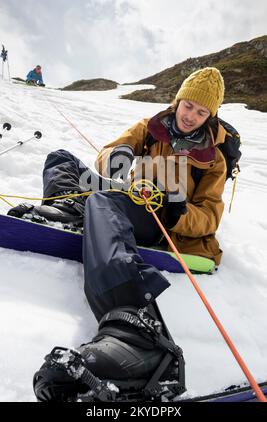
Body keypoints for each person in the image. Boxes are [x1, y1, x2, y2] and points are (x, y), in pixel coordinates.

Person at [8, 67, 226, 402]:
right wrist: (118, 162)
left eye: (202, 111)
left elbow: (209, 217)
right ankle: (76, 214)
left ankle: (135, 334)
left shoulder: (214, 159)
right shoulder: (150, 128)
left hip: (164, 220)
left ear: (211, 115)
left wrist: (179, 211)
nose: (192, 116)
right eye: (189, 105)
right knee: (62, 160)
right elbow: (108, 153)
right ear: (178, 100)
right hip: (128, 197)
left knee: (104, 200)